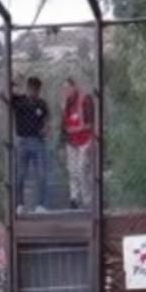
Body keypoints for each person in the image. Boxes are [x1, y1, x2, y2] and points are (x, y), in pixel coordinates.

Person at [4, 75, 50, 213]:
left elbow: (47, 121)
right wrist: (12, 82)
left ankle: (41, 205)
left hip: (37, 141)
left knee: (41, 173)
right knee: (20, 174)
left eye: (37, 90)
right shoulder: (19, 100)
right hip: (22, 141)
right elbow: (1, 93)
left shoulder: (42, 104)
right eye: (32, 89)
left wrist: (45, 129)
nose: (34, 93)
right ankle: (19, 204)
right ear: (28, 88)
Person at [61, 76, 95, 209]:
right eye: (64, 88)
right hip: (71, 142)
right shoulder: (66, 104)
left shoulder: (85, 100)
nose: (66, 91)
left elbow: (90, 125)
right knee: (72, 170)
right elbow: (63, 126)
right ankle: (74, 198)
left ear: (74, 87)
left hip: (84, 140)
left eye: (68, 88)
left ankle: (87, 200)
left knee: (82, 169)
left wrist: (75, 129)